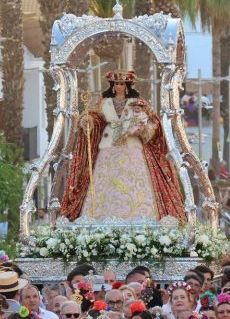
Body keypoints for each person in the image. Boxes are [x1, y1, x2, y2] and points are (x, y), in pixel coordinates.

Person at [60, 71, 185, 222]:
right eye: (117, 83)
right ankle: (101, 217)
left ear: (127, 85)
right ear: (112, 85)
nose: (119, 86)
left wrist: (143, 129)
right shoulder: (104, 102)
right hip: (108, 144)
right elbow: (97, 118)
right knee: (106, 181)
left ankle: (141, 217)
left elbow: (152, 119)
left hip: (132, 144)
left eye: (122, 84)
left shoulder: (137, 101)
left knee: (134, 180)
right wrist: (88, 120)